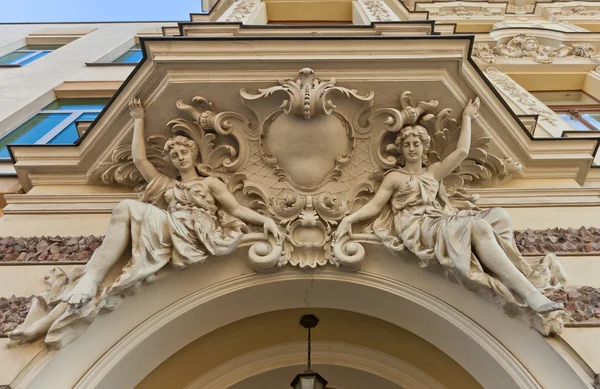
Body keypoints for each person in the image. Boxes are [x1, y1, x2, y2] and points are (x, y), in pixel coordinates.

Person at [9, 99, 283, 347]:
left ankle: (81, 290)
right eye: (174, 155)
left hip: (199, 232)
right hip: (170, 228)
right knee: (124, 218)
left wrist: (266, 221)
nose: (179, 157)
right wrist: (138, 120)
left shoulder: (209, 183)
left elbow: (236, 209)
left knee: (126, 232)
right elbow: (140, 160)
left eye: (184, 152)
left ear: (194, 154)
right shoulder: (166, 185)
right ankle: (87, 283)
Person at [334, 98, 564, 314]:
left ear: (424, 148)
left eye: (416, 144)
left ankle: (507, 273)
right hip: (416, 224)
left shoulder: (433, 172)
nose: (412, 148)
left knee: (500, 216)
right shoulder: (394, 177)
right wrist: (349, 219)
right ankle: (530, 294)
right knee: (479, 228)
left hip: (438, 218)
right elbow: (375, 206)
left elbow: (462, 152)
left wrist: (467, 118)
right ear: (401, 151)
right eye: (407, 145)